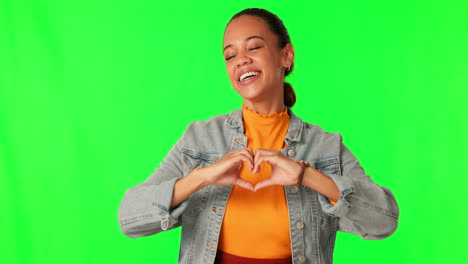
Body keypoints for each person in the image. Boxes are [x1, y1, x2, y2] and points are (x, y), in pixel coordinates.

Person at [118, 8, 399, 264]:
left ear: (286, 56)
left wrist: (306, 176)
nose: (241, 61)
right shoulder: (199, 139)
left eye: (253, 47)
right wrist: (202, 177)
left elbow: (384, 221)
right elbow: (129, 218)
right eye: (230, 55)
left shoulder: (326, 147)